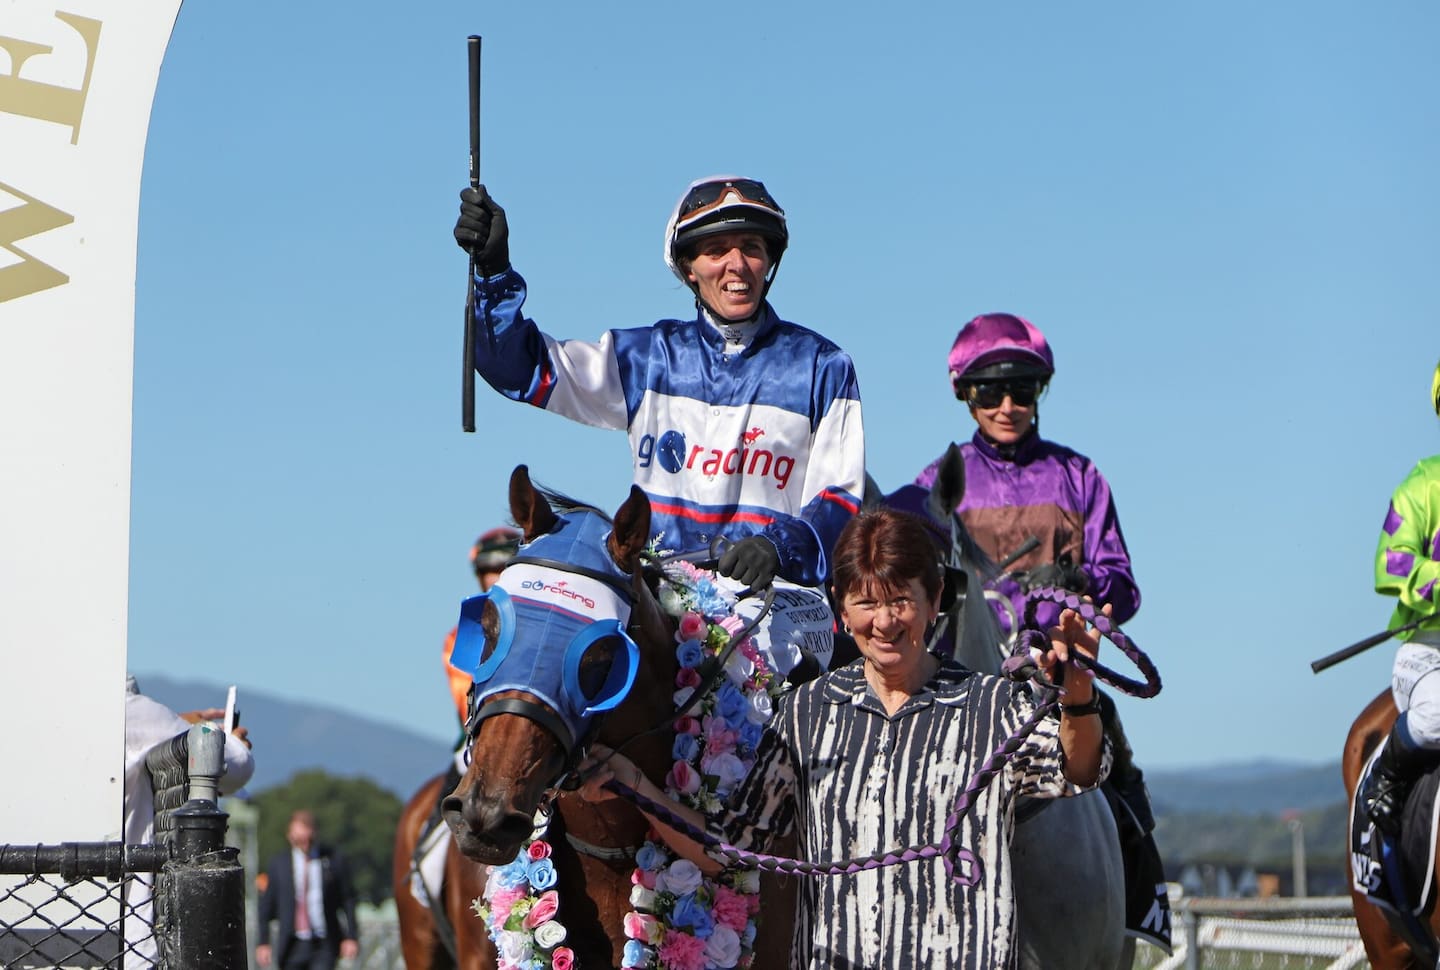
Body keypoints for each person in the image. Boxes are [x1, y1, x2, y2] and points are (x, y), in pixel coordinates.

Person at [582, 505, 1108, 968]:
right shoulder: (807, 712)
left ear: (935, 599)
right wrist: (636, 784)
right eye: (866, 603)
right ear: (840, 606)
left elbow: (1079, 768)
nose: (884, 622)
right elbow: (731, 849)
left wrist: (1079, 694)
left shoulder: (994, 706)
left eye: (901, 600)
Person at [453, 176, 866, 676]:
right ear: (689, 268)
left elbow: (839, 503)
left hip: (781, 599)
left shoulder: (824, 366)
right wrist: (495, 271)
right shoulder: (646, 358)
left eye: (752, 248)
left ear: (769, 261)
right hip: (661, 589)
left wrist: (777, 547)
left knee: (735, 666)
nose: (737, 265)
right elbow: (522, 370)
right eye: (716, 250)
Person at [912, 312, 1154, 839]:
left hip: (1054, 663)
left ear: (1039, 392)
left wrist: (1078, 582)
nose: (1006, 407)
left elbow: (1123, 584)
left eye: (1021, 391)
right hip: (963, 673)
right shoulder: (935, 483)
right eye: (989, 392)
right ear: (966, 395)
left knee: (1109, 739)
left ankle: (1143, 883)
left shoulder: (1080, 476)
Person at [123, 675, 255, 968]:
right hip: (127, 935)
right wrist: (232, 740)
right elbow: (234, 765)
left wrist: (179, 721)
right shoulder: (127, 707)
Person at [1361, 360, 1440, 838]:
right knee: (1437, 718)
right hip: (1428, 655)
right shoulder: (1421, 486)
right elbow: (1392, 564)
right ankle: (1386, 777)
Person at [256, 810, 360, 969]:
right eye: (299, 839)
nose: (304, 843)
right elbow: (266, 906)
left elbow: (348, 899)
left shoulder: (333, 860)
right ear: (290, 836)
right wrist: (263, 942)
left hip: (323, 942)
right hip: (291, 943)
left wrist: (351, 936)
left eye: (308, 839)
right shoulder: (279, 864)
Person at [442, 526, 521, 724]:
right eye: (492, 570)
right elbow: (466, 702)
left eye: (507, 568)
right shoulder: (461, 635)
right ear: (480, 576)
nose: (500, 577)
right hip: (483, 732)